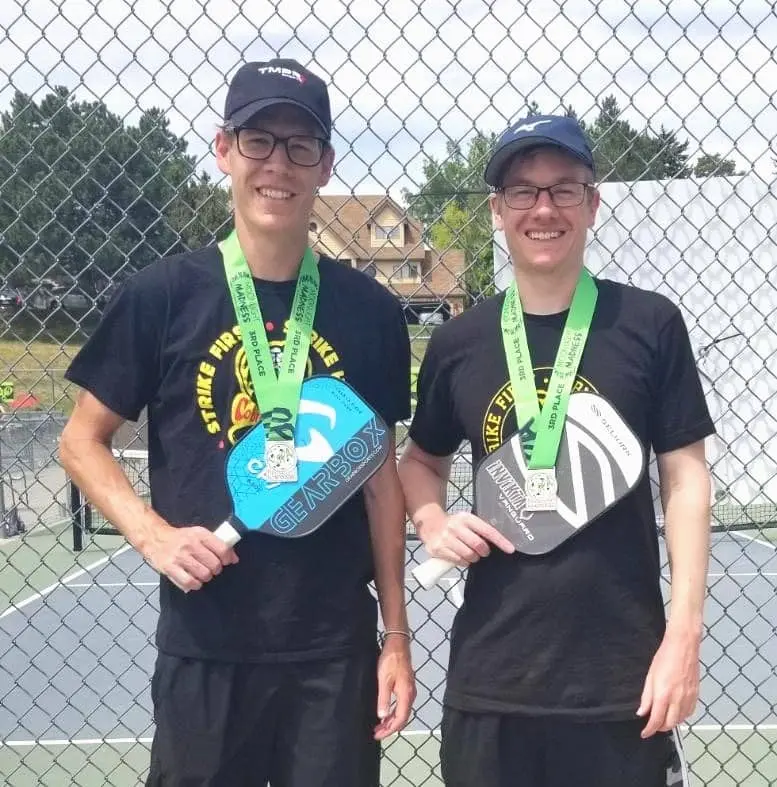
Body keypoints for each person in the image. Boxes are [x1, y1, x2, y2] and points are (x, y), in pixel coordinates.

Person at [60, 57, 415, 787]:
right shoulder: (162, 296)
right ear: (224, 150)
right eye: (258, 140)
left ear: (326, 166)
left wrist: (397, 637)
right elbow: (79, 441)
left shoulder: (373, 313)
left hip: (333, 653)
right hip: (206, 647)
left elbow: (382, 485)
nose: (277, 164)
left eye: (300, 145)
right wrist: (153, 535)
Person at [398, 114, 713, 787]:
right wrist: (430, 519)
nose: (543, 209)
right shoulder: (459, 342)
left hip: (621, 681)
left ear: (592, 203)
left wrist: (683, 635)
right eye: (522, 191)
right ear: (497, 210)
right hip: (491, 682)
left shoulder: (649, 324)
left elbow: (686, 480)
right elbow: (420, 461)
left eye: (564, 188)